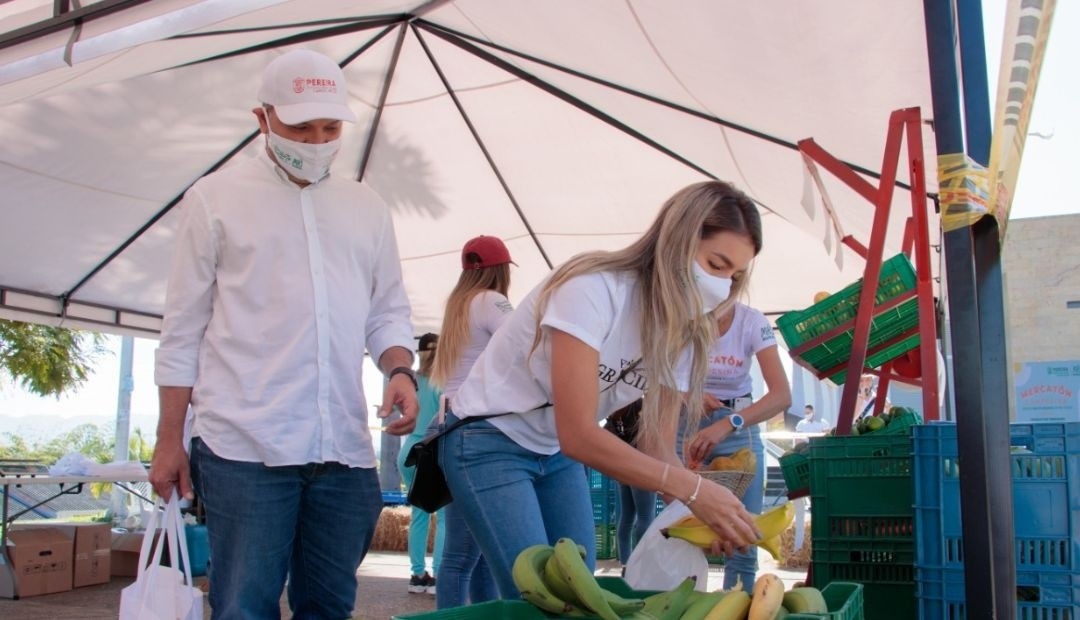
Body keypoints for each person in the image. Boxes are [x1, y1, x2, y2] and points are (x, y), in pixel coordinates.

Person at [149, 48, 419, 619]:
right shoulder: (213, 200)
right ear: (262, 118)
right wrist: (169, 438)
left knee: (330, 606)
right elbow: (181, 333)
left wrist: (398, 369)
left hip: (343, 449)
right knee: (243, 606)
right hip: (244, 445)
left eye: (330, 127)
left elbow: (387, 311)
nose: (318, 140)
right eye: (301, 126)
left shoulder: (366, 207)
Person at [442, 180, 764, 598]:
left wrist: (695, 513)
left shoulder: (685, 333)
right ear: (677, 241)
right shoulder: (592, 287)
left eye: (735, 275)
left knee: (580, 588)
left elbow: (656, 444)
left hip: (552, 452)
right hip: (488, 438)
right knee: (539, 594)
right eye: (716, 264)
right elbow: (577, 434)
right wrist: (695, 490)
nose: (723, 285)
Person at [679, 301, 791, 593]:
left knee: (745, 536)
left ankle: (737, 605)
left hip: (740, 424)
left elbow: (781, 396)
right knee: (682, 531)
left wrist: (730, 422)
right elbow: (655, 378)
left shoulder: (753, 321)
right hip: (685, 422)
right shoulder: (680, 316)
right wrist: (689, 395)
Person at [429, 235, 515, 608]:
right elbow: (525, 342)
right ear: (501, 270)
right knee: (466, 555)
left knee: (472, 553)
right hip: (478, 429)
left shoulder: (458, 305)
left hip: (450, 426)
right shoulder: (490, 301)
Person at [396, 333, 445, 596]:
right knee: (446, 516)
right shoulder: (443, 381)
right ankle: (440, 573)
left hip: (408, 453)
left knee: (419, 516)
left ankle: (417, 576)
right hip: (431, 451)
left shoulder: (411, 381)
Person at [603, 399, 657, 570]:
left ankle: (626, 563)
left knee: (626, 519)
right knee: (645, 517)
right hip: (641, 468)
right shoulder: (640, 406)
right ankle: (644, 563)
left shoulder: (611, 420)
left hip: (623, 471)